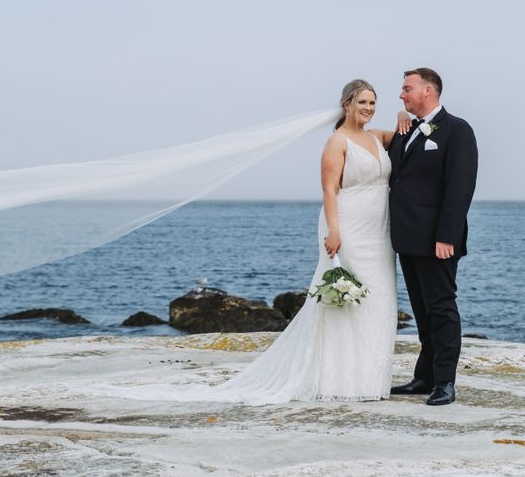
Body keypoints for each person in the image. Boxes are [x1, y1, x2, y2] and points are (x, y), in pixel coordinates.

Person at [103, 79, 405, 405]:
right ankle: (338, 380)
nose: (368, 109)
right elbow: (329, 190)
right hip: (347, 226)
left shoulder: (377, 137)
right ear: (347, 104)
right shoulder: (337, 142)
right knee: (340, 306)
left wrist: (403, 111)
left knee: (378, 301)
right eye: (362, 102)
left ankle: (369, 379)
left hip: (379, 231)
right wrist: (334, 230)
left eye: (373, 103)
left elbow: (406, 135)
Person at [387, 68, 478, 406]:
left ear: (428, 90)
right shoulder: (406, 129)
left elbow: (460, 187)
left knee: (441, 309)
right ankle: (424, 377)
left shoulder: (457, 130)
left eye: (406, 88)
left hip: (438, 241)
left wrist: (447, 236)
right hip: (408, 239)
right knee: (422, 312)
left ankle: (445, 382)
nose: (401, 94)